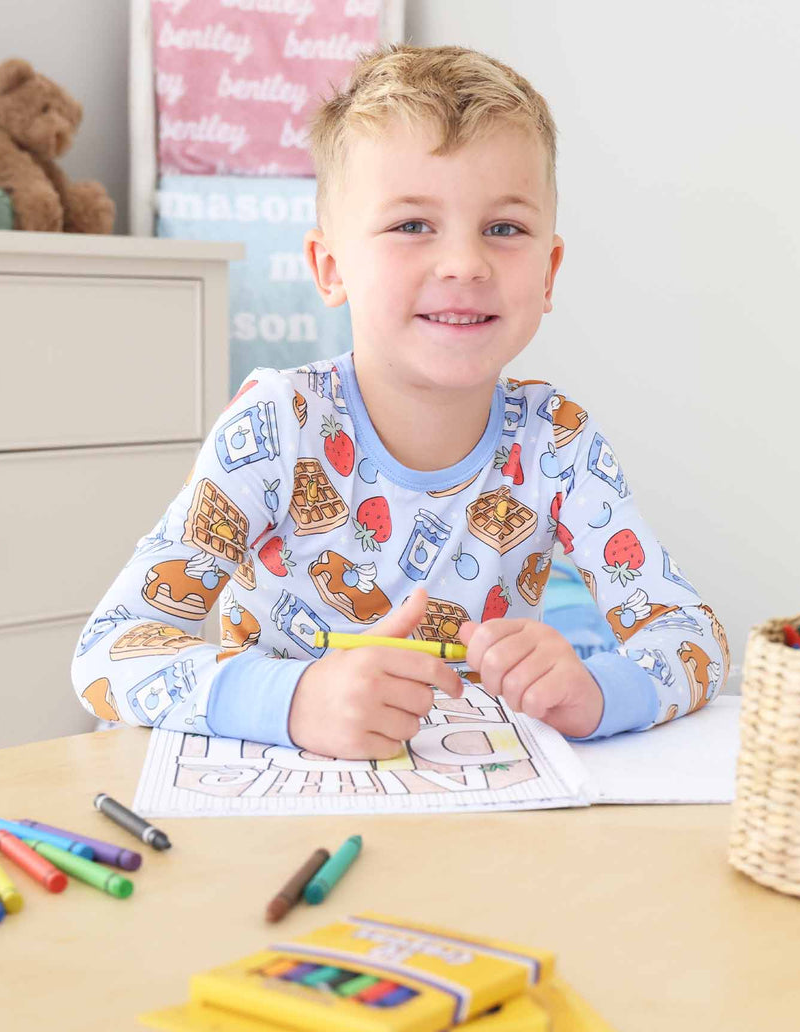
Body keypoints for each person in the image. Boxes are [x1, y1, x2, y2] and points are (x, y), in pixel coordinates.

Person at [71, 44, 730, 759]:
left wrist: (597, 692)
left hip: (477, 793)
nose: (465, 264)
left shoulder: (556, 441)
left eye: (504, 229)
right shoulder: (276, 426)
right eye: (412, 225)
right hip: (283, 793)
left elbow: (694, 639)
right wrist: (295, 702)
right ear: (331, 267)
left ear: (548, 272)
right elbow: (108, 652)